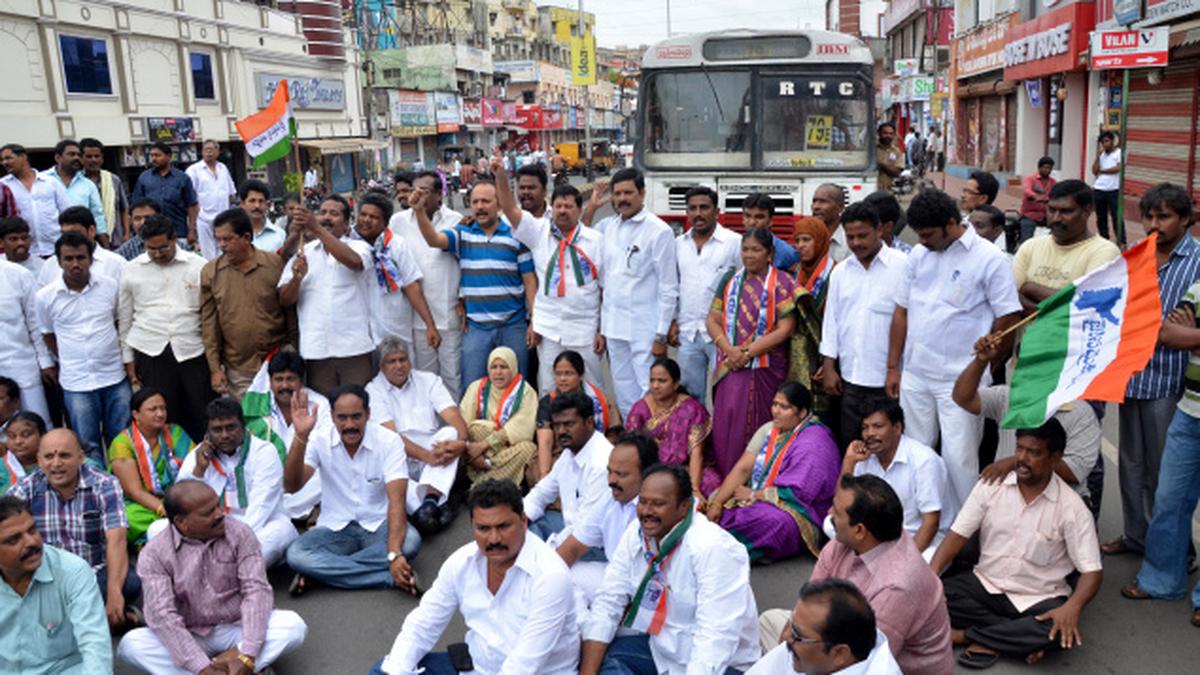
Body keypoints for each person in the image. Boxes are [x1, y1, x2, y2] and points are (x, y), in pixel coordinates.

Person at [885, 189, 1021, 507]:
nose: (922, 241)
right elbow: (901, 311)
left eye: (929, 234)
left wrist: (987, 366)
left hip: (960, 383)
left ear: (950, 223)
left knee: (959, 461)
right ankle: (917, 527)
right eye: (918, 235)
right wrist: (894, 367)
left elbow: (1009, 316)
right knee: (915, 455)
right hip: (916, 375)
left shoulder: (990, 259)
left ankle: (962, 540)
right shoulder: (918, 256)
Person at [929, 419, 1103, 669]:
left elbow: (1092, 571)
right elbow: (957, 535)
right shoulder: (992, 485)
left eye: (1034, 452)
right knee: (937, 596)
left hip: (1039, 597)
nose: (1022, 458)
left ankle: (964, 635)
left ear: (1055, 458)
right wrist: (931, 577)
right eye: (1019, 448)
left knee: (1054, 629)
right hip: (986, 584)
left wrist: (1073, 608)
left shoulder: (1072, 507)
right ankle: (1016, 639)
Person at [373, 479, 579, 675]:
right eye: (483, 529)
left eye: (503, 526)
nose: (494, 538)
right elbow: (423, 624)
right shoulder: (461, 563)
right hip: (477, 667)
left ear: (523, 522)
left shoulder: (551, 577)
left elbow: (524, 665)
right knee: (386, 668)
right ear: (472, 526)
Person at [580, 465, 760, 674]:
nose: (646, 512)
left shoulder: (713, 548)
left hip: (722, 666)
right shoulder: (637, 533)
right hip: (664, 653)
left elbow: (715, 642)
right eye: (643, 502)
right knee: (600, 657)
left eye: (658, 504)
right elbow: (608, 602)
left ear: (684, 507)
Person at [116, 482, 307, 674]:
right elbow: (162, 615)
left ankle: (239, 663)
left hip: (237, 626)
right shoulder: (154, 553)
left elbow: (256, 591)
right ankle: (240, 670)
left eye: (217, 505)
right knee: (132, 645)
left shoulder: (240, 533)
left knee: (292, 626)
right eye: (208, 512)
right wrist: (201, 667)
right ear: (182, 522)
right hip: (190, 633)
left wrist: (248, 652)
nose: (219, 514)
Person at [1105, 182, 1200, 556]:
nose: (1154, 224)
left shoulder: (1196, 261)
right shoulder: (1136, 256)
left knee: (1167, 473)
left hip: (1172, 379)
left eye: (1164, 216)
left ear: (1185, 219)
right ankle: (1136, 537)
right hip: (1131, 374)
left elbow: (1185, 327)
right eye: (1149, 216)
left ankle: (1175, 552)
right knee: (1131, 463)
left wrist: (1177, 330)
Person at [283, 384, 421, 593]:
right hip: (334, 528)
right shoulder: (319, 439)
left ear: (368, 414)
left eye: (356, 416)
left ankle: (320, 574)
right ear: (332, 417)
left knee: (410, 542)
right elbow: (292, 486)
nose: (349, 425)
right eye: (342, 418)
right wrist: (300, 436)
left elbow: (397, 501)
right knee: (296, 554)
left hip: (379, 526)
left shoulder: (389, 441)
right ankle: (388, 578)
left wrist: (393, 552)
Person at [1120, 266, 1200, 625]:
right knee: (1169, 500)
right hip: (1189, 411)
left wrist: (1194, 333)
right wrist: (1186, 333)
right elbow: (1167, 333)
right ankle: (1161, 581)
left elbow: (1184, 333)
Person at [8, 428, 139, 631]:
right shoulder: (26, 488)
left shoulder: (105, 484)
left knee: (129, 583)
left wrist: (114, 593)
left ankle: (59, 621)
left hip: (93, 573)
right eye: (49, 456)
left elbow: (117, 540)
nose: (56, 463)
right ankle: (100, 618)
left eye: (65, 455)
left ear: (81, 457)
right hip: (44, 577)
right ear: (39, 460)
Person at [410, 180, 536, 390]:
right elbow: (434, 239)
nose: (479, 206)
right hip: (476, 328)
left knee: (517, 387)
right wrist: (420, 211)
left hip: (513, 325)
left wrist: (534, 320)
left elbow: (529, 280)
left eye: (486, 201)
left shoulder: (516, 236)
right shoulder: (462, 234)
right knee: (472, 388)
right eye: (475, 201)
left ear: (499, 204)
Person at [495, 155, 605, 393]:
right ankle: (550, 430)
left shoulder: (596, 241)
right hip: (549, 328)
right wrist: (501, 177)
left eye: (568, 206)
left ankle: (595, 429)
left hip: (585, 327)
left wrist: (601, 329)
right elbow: (509, 208)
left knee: (592, 387)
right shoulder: (538, 231)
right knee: (548, 387)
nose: (563, 211)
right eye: (558, 206)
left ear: (579, 210)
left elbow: (606, 290)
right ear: (551, 208)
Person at [953, 334, 1101, 507]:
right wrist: (981, 361)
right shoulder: (1007, 397)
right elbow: (963, 398)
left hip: (1057, 507)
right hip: (1005, 499)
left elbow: (1074, 471)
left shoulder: (1081, 412)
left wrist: (1013, 463)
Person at [707, 382, 840, 561]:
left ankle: (721, 551)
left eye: (784, 407)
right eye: (775, 404)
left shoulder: (815, 441)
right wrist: (717, 503)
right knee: (715, 496)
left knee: (772, 522)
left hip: (799, 511)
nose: (776, 411)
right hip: (758, 497)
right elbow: (743, 468)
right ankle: (712, 544)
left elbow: (800, 493)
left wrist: (755, 495)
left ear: (802, 413)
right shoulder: (769, 429)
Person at [708, 228, 803, 475]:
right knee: (726, 424)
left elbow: (786, 329)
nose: (749, 255)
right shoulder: (730, 279)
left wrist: (746, 353)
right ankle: (726, 479)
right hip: (730, 366)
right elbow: (712, 319)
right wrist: (730, 351)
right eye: (745, 249)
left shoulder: (782, 283)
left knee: (757, 427)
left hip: (765, 369)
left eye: (756, 250)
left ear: (770, 254)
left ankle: (756, 482)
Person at [35, 232, 131, 465]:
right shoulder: (45, 297)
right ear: (58, 261)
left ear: (91, 259)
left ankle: (124, 489)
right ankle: (95, 490)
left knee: (121, 438)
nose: (75, 264)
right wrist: (68, 358)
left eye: (81, 257)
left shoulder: (109, 287)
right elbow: (47, 334)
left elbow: (120, 322)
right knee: (87, 444)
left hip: (114, 377)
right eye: (68, 259)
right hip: (76, 382)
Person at [589, 168, 680, 417]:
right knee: (623, 389)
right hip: (614, 327)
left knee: (650, 390)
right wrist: (601, 327)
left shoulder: (658, 231)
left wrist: (660, 335)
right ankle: (633, 441)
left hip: (645, 328)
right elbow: (580, 240)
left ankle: (653, 446)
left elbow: (668, 286)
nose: (622, 199)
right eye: (617, 194)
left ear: (642, 193)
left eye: (628, 192)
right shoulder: (608, 228)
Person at [119, 213, 213, 441]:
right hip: (151, 352)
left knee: (201, 411)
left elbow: (209, 316)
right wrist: (128, 361)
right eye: (151, 249)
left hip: (192, 350)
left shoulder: (198, 265)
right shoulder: (131, 269)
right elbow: (125, 318)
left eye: (163, 248)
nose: (158, 254)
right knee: (162, 415)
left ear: (174, 240)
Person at [820, 203, 907, 446]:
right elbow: (832, 321)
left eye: (863, 235)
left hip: (889, 380)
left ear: (879, 230)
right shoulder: (841, 272)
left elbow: (909, 320)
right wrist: (829, 366)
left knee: (886, 444)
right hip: (850, 379)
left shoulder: (903, 266)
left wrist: (894, 370)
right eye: (850, 237)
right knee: (852, 443)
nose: (856, 243)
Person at [173, 398, 298, 567]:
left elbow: (262, 506)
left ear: (243, 425)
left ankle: (213, 570)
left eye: (230, 427)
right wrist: (199, 471)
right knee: (157, 530)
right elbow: (181, 502)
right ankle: (221, 569)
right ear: (207, 432)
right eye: (217, 430)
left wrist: (229, 542)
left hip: (259, 526)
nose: (224, 435)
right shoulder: (198, 456)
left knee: (281, 533)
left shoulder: (264, 452)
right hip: (210, 528)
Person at [365, 337, 469, 535]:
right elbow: (391, 437)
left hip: (434, 456)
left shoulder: (428, 380)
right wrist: (426, 456)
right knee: (388, 477)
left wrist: (463, 443)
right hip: (400, 457)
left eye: (403, 360)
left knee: (450, 433)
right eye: (392, 361)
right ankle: (436, 502)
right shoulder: (372, 390)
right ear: (381, 366)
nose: (399, 366)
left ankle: (430, 501)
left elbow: (452, 414)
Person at [0, 496, 112, 674]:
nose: (31, 542)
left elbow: (95, 645)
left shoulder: (72, 571)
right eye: (13, 540)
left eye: (32, 530)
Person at [278, 195, 376, 393]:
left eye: (334, 213)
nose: (326, 217)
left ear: (347, 225)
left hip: (353, 348)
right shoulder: (304, 253)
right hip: (316, 350)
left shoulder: (359, 247)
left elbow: (354, 262)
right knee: (324, 410)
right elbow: (284, 300)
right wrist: (297, 279)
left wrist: (316, 228)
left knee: (357, 407)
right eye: (322, 213)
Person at [557, 432, 658, 612]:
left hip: (646, 598)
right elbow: (572, 548)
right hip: (613, 580)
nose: (611, 481)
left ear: (646, 475)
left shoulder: (659, 511)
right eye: (609, 472)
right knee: (559, 575)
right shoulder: (610, 499)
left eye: (621, 474)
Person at [201, 207, 292, 401]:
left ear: (247, 237)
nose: (222, 245)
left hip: (278, 362)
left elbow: (290, 311)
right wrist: (215, 369)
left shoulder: (274, 264)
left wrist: (295, 351)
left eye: (228, 239)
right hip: (239, 368)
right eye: (218, 240)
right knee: (250, 423)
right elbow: (209, 326)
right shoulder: (211, 273)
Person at [839, 401, 951, 560]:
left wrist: (903, 562)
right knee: (831, 524)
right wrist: (848, 463)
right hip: (879, 535)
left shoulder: (924, 461)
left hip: (921, 537)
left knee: (918, 568)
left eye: (878, 426)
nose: (869, 433)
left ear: (897, 428)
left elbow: (931, 524)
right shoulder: (864, 457)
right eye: (865, 427)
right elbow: (841, 505)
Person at [390, 171, 465, 398]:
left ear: (440, 195)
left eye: (424, 191)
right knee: (425, 379)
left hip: (449, 313)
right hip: (417, 318)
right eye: (415, 190)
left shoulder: (455, 220)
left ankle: (454, 431)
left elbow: (465, 262)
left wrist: (463, 297)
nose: (418, 196)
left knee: (453, 379)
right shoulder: (398, 222)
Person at [241, 350, 330, 521]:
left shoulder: (320, 406)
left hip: (307, 474)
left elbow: (321, 452)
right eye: (279, 379)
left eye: (290, 379)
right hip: (270, 477)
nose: (284, 386)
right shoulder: (260, 409)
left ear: (301, 381)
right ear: (270, 381)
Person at [673, 186, 743, 401]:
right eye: (692, 208)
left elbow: (744, 286)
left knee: (724, 395)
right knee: (689, 399)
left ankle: (722, 435)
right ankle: (698, 436)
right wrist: (672, 321)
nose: (698, 213)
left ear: (717, 211)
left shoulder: (734, 243)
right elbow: (672, 286)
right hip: (688, 334)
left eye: (704, 207)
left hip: (722, 336)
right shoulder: (677, 245)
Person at [747, 579, 903, 675]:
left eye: (796, 634)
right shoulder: (807, 652)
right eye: (791, 624)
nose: (786, 636)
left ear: (839, 653)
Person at [1013, 180, 1121, 314]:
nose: (1056, 218)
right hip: (1027, 334)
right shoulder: (1030, 247)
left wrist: (1030, 288)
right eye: (1051, 210)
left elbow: (1086, 305)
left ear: (1087, 210)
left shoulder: (1104, 252)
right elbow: (1010, 297)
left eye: (1066, 211)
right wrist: (1054, 309)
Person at [354, 191, 440, 358]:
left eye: (373, 217)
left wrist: (430, 325)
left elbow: (411, 286)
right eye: (363, 215)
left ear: (385, 223)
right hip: (359, 333)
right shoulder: (346, 244)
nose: (366, 220)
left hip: (393, 328)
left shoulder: (396, 245)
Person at [524, 391, 613, 544]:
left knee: (528, 540)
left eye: (569, 424)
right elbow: (541, 493)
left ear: (589, 423)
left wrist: (546, 553)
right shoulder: (569, 454)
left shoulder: (601, 462)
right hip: (571, 528)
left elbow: (585, 530)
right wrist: (518, 519)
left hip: (594, 545)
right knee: (525, 526)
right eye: (557, 425)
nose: (561, 431)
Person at [108, 387, 194, 543]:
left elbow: (193, 470)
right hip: (140, 504)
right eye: (152, 409)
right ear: (136, 414)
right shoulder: (122, 444)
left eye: (162, 408)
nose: (160, 414)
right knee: (129, 517)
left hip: (178, 497)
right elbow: (134, 492)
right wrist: (165, 510)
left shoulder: (175, 431)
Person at [626, 357, 721, 497]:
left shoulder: (691, 409)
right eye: (652, 380)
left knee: (711, 482)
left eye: (662, 381)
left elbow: (696, 452)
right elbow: (631, 448)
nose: (655, 386)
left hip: (684, 469)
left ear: (676, 384)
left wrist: (694, 489)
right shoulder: (640, 409)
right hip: (650, 470)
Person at [458, 347, 539, 487]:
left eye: (504, 367)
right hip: (478, 447)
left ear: (513, 368)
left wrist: (483, 446)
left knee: (528, 448)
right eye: (494, 367)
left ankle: (481, 485)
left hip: (508, 447)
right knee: (475, 429)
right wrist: (473, 450)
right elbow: (463, 422)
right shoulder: (477, 387)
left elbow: (522, 428)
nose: (498, 372)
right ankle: (492, 476)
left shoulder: (526, 391)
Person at [535, 350, 620, 479]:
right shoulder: (547, 403)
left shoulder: (601, 400)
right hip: (560, 455)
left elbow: (613, 435)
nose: (562, 379)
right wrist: (544, 474)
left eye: (568, 373)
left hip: (596, 454)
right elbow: (545, 441)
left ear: (580, 375)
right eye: (558, 374)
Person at [0, 258, 53, 422]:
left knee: (36, 424)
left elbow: (35, 323)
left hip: (22, 365)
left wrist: (45, 362)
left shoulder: (18, 274)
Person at [1, 143, 71, 258]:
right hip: (24, 252)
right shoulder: (3, 186)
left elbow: (67, 212)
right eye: (2, 160)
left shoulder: (50, 182)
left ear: (23, 157)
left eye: (8, 158)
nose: (5, 163)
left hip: (55, 248)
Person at [36, 205, 127, 287]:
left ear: (91, 230)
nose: (70, 239)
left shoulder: (116, 264)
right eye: (65, 234)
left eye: (74, 233)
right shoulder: (51, 265)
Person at [131, 142, 199, 248]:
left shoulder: (182, 178)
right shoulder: (144, 178)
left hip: (178, 232)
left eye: (158, 155)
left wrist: (192, 231)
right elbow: (136, 205)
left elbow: (192, 206)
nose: (154, 159)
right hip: (151, 234)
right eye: (152, 155)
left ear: (169, 157)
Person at [42, 140, 107, 241]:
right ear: (58, 158)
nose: (76, 158)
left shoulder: (88, 185)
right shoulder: (42, 180)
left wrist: (104, 243)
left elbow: (97, 215)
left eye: (78, 155)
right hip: (49, 243)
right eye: (71, 154)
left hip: (80, 241)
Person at [186, 140, 236, 260]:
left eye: (211, 149)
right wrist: (192, 225)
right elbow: (189, 197)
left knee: (224, 250)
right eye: (205, 149)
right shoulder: (194, 170)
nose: (208, 152)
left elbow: (230, 193)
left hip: (223, 218)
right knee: (208, 254)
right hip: (203, 218)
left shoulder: (223, 168)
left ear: (218, 152)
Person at [79, 138, 129, 245]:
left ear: (102, 159)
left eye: (97, 156)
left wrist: (127, 234)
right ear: (81, 159)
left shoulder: (113, 180)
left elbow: (124, 209)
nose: (93, 160)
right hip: (87, 240)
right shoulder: (76, 182)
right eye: (89, 156)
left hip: (116, 239)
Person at [741, 192, 803, 271]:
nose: (752, 222)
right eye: (747, 216)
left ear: (770, 221)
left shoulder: (787, 253)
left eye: (759, 217)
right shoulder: (735, 246)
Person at [238, 179, 286, 255]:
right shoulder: (235, 234)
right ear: (242, 204)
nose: (257, 206)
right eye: (252, 201)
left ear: (267, 205)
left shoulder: (280, 235)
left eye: (261, 201)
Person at [1091, 131, 1123, 245]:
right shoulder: (1101, 155)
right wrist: (1097, 157)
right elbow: (1094, 171)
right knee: (1101, 216)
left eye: (1107, 141)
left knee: (1116, 216)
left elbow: (1118, 168)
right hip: (1099, 189)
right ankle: (1104, 239)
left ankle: (1121, 240)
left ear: (1112, 141)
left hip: (1113, 189)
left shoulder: (1119, 153)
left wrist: (1103, 171)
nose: (1105, 144)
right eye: (1102, 142)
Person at [1018, 157, 1056, 242]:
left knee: (1060, 227)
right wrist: (1035, 196)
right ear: (1039, 168)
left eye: (1050, 168)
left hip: (1047, 215)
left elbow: (1057, 193)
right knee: (1026, 236)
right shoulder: (1030, 179)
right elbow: (1027, 190)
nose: (1048, 170)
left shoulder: (1053, 182)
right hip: (1030, 214)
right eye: (1046, 168)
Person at [812, 184, 849, 263]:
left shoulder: (849, 241)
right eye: (814, 201)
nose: (816, 206)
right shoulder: (808, 238)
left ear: (840, 207)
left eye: (823, 201)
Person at [2, 411, 45, 476]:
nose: (18, 441)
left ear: (42, 435)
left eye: (26, 435)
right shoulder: (2, 467)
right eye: (12, 436)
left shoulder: (54, 463)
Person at [876, 123, 903, 193]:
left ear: (894, 135)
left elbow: (897, 172)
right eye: (885, 133)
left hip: (889, 191)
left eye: (891, 134)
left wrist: (881, 164)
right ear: (879, 133)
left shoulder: (897, 151)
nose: (888, 136)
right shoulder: (872, 150)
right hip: (872, 189)